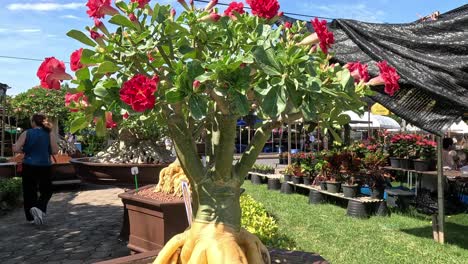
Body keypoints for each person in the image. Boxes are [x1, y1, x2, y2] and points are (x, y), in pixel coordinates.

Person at [13, 113, 59, 225]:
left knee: (29, 191)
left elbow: (16, 149)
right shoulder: (49, 134)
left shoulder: (26, 133)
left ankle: (31, 218)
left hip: (28, 165)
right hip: (44, 165)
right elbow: (55, 151)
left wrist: (26, 150)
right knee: (47, 190)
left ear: (33, 122)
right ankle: (39, 207)